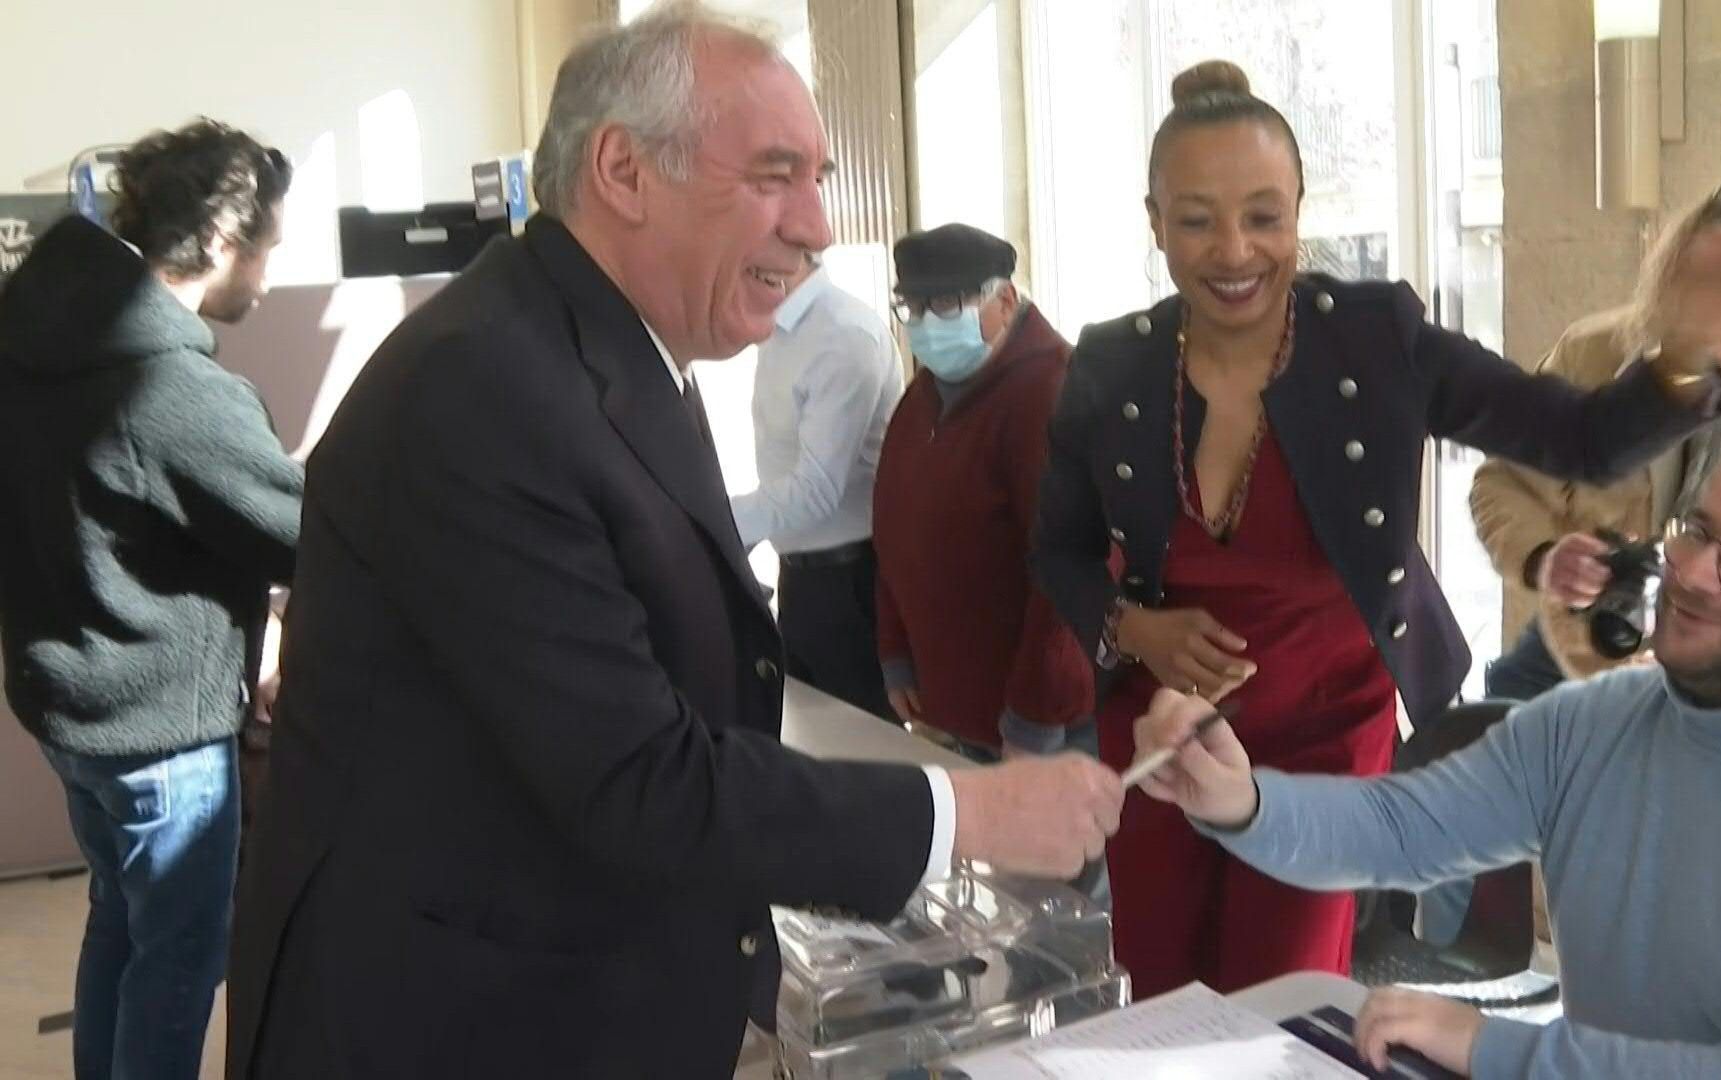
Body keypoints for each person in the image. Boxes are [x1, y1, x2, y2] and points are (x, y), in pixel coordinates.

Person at [225, 9, 1123, 1079]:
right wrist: (962, 811)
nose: (819, 226)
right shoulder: (482, 387)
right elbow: (633, 777)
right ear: (624, 168)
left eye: (820, 177)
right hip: (454, 1017)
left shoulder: (615, 349)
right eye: (776, 175)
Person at [1031, 59, 1721, 1000]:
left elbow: (1581, 437)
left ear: (1299, 211)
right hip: (1165, 727)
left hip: (1326, 728)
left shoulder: (1377, 337)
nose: (1233, 251)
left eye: (1263, 215)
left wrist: (1690, 353)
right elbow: (1058, 548)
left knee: (1279, 993)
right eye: (1196, 219)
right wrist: (1138, 629)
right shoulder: (1112, 362)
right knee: (1155, 979)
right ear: (1155, 219)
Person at [1132, 428, 1721, 1079]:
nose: (1695, 576)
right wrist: (1241, 800)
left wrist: (1496, 1048)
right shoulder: (1596, 722)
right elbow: (1404, 829)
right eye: (1699, 533)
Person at [0, 119, 301, 1080]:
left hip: (65, 707)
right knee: (177, 958)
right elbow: (302, 532)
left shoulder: (33, 325)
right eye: (267, 246)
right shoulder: (176, 388)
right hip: (159, 735)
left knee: (119, 924)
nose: (269, 270)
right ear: (219, 242)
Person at [1473, 179, 1721, 699]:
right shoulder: (1594, 357)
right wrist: (1544, 557)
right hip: (1586, 655)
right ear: (1692, 299)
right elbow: (1502, 484)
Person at [873, 223, 1096, 762]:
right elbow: (893, 526)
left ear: (1006, 298)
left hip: (1039, 724)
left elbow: (1069, 568)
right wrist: (897, 652)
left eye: (948, 304)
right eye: (915, 307)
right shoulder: (923, 395)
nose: (927, 325)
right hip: (953, 704)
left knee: (1049, 847)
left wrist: (1035, 715)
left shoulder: (1051, 391)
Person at [730, 254, 902, 720]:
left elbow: (816, 490)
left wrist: (716, 520)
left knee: (863, 748)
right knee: (810, 733)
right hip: (803, 575)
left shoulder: (842, 336)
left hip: (848, 582)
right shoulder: (782, 329)